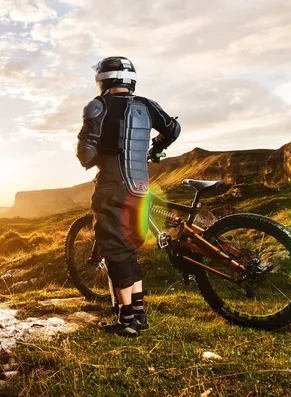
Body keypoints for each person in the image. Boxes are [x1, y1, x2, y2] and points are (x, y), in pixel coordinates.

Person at [75, 56, 181, 337]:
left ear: (103, 81)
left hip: (112, 186)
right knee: (130, 250)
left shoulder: (98, 106)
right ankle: (139, 313)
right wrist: (156, 147)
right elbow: (173, 130)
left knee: (115, 251)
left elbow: (85, 154)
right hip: (140, 187)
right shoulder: (146, 105)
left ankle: (128, 321)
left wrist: (95, 155)